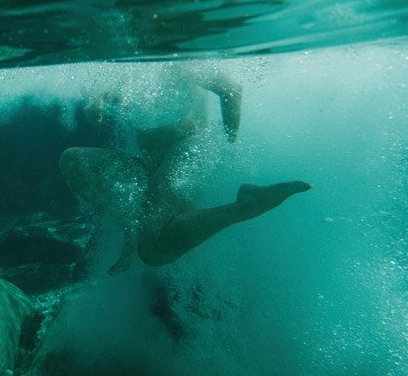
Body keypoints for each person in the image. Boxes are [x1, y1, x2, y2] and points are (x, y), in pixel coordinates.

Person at [59, 68, 310, 272]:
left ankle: (246, 206)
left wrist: (227, 147)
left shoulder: (178, 58)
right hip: (150, 161)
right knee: (73, 161)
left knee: (153, 251)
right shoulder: (132, 63)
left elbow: (232, 89)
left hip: (187, 151)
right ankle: (130, 229)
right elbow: (123, 85)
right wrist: (99, 99)